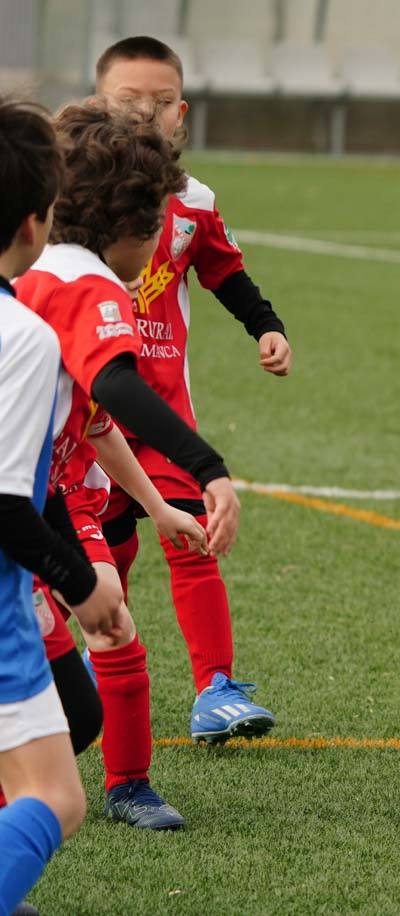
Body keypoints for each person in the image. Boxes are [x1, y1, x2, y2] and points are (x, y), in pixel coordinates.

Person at [15, 99, 234, 829]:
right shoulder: (91, 286)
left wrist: (159, 504)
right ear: (134, 225)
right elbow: (114, 386)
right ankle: (117, 784)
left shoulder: (45, 272)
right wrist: (207, 468)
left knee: (103, 627)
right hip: (33, 499)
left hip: (55, 493)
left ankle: (126, 784)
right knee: (93, 640)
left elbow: (94, 420)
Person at [94, 36, 289, 739]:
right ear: (97, 106)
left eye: (159, 102)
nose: (144, 113)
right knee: (106, 548)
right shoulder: (71, 194)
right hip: (88, 413)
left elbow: (223, 271)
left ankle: (215, 686)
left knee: (193, 539)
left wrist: (265, 326)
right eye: (127, 101)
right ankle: (96, 651)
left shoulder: (193, 202)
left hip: (165, 413)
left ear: (182, 114)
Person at [0, 96, 124, 916]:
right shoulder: (22, 338)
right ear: (37, 223)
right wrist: (84, 589)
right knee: (58, 795)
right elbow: (7, 504)